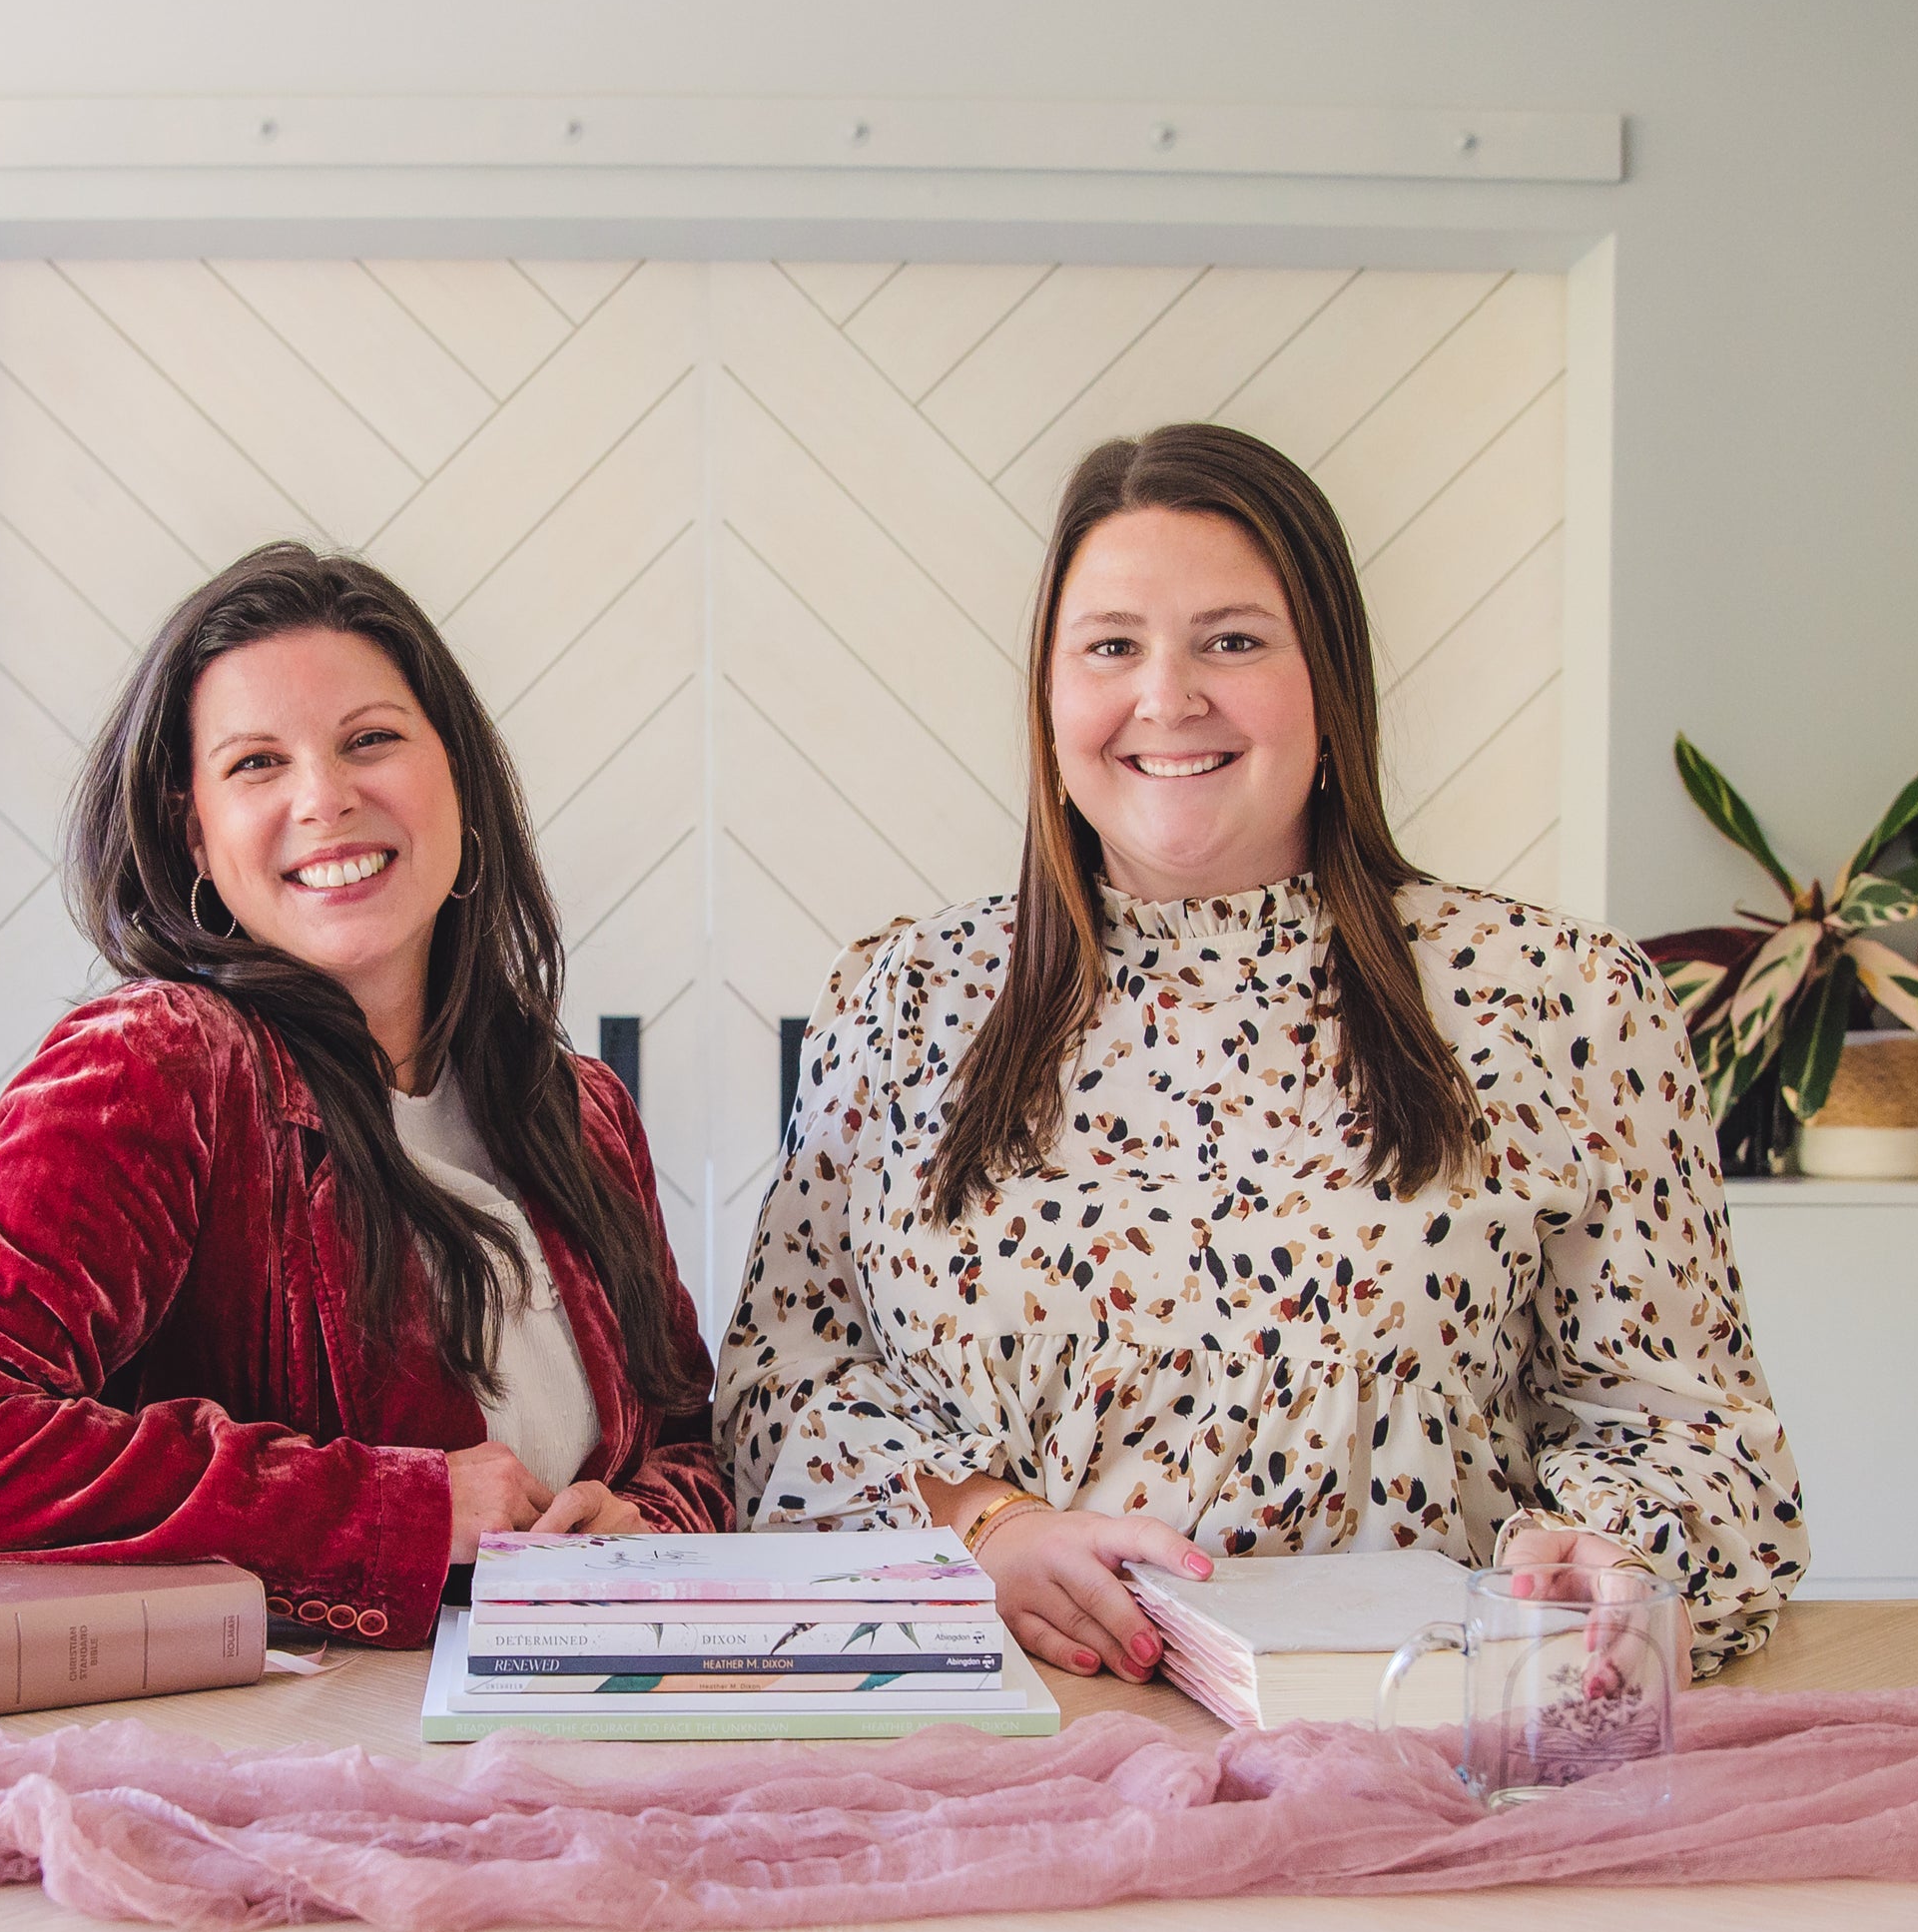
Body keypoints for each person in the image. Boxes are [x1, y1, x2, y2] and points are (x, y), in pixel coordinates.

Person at [717, 424, 1804, 1686]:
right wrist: (985, 1526)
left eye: (1232, 640)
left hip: (1416, 1760)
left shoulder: (1565, 1000)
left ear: (1330, 688)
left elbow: (1697, 1431)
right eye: (1112, 645)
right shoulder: (902, 1005)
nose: (1167, 696)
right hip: (999, 1741)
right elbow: (777, 1394)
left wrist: (1614, 1553)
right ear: (1051, 700)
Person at [0, 545, 730, 1641]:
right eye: (257, 763)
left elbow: (697, 1435)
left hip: (580, 1741)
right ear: (196, 836)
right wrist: (395, 1511)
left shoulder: (581, 1110)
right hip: (292, 1771)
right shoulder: (160, 1064)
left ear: (457, 780)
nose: (325, 797)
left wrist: (645, 1521)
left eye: (371, 739)